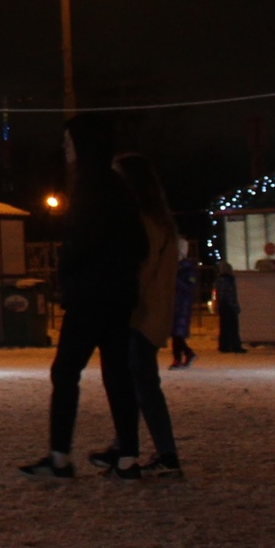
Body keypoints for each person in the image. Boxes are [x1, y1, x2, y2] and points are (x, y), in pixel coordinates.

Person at [20, 117, 145, 481]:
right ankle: (128, 457)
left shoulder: (91, 188)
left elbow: (82, 245)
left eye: (69, 142)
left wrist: (72, 271)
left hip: (91, 296)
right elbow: (140, 244)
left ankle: (60, 457)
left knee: (65, 372)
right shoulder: (118, 187)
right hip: (118, 296)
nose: (66, 149)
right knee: (117, 373)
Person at [104, 151, 185, 477]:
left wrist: (117, 297)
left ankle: (163, 452)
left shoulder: (144, 222)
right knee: (137, 382)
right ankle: (125, 444)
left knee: (141, 383)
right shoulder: (158, 219)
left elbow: (142, 268)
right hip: (148, 312)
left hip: (140, 313)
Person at [169, 238, 198, 369]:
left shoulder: (187, 269)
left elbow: (189, 287)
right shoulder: (177, 267)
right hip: (175, 304)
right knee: (176, 333)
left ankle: (178, 359)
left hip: (182, 305)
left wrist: (174, 280)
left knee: (176, 333)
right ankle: (187, 354)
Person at [213, 256, 246, 352]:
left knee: (224, 327)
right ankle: (235, 346)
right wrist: (235, 306)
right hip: (229, 306)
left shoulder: (219, 280)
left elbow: (221, 294)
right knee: (233, 327)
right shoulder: (229, 280)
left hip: (223, 306)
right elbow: (231, 294)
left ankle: (224, 346)